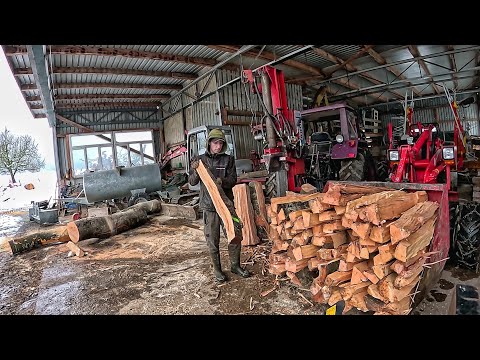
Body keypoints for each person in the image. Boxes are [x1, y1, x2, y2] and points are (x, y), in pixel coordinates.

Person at [189, 128, 250, 283]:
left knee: (235, 235)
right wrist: (195, 170)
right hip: (209, 207)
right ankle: (217, 269)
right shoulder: (200, 160)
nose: (218, 146)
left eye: (221, 143)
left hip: (226, 205)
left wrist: (222, 182)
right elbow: (192, 182)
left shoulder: (228, 160)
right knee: (212, 239)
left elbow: (233, 179)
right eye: (215, 143)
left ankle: (235, 266)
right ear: (209, 143)